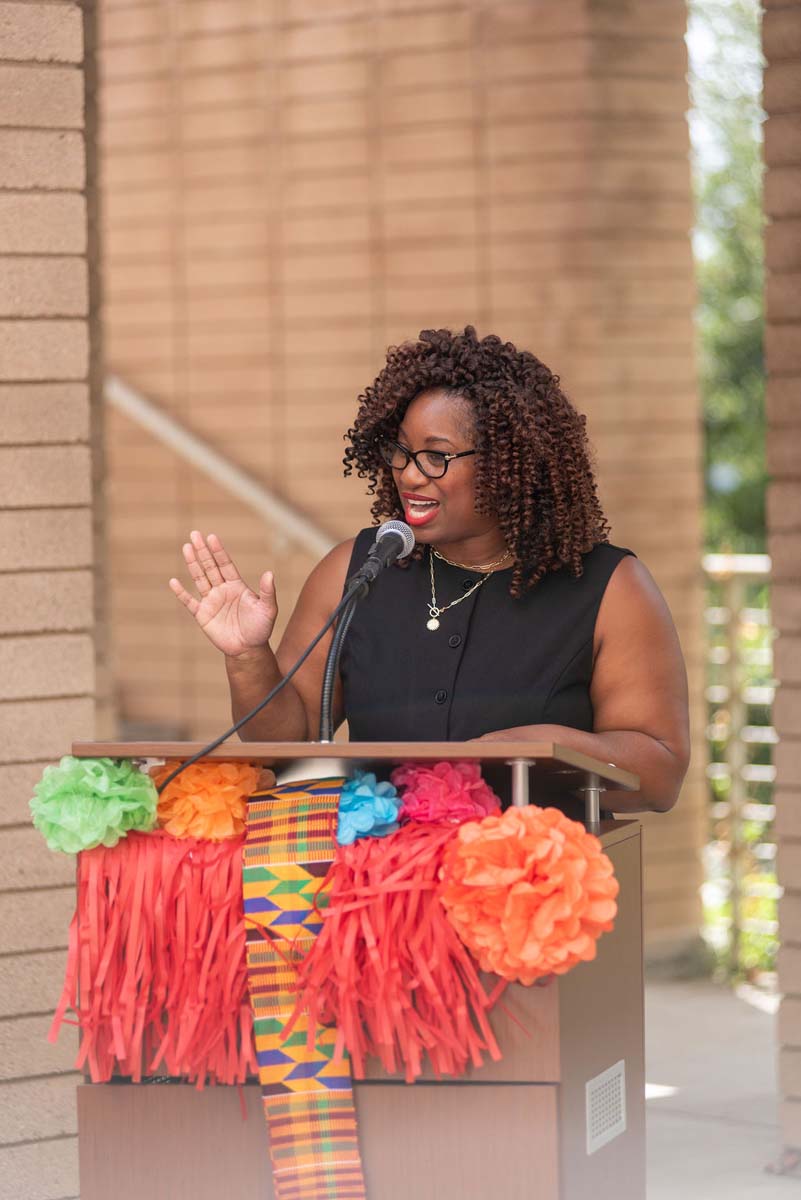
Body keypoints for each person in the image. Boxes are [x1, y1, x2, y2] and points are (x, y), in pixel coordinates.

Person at [170, 326, 690, 816]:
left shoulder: (609, 587)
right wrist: (247, 657)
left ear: (511, 464)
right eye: (401, 451)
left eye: (437, 457)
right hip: (377, 888)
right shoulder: (355, 571)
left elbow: (660, 773)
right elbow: (289, 739)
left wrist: (538, 749)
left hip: (529, 890)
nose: (409, 475)